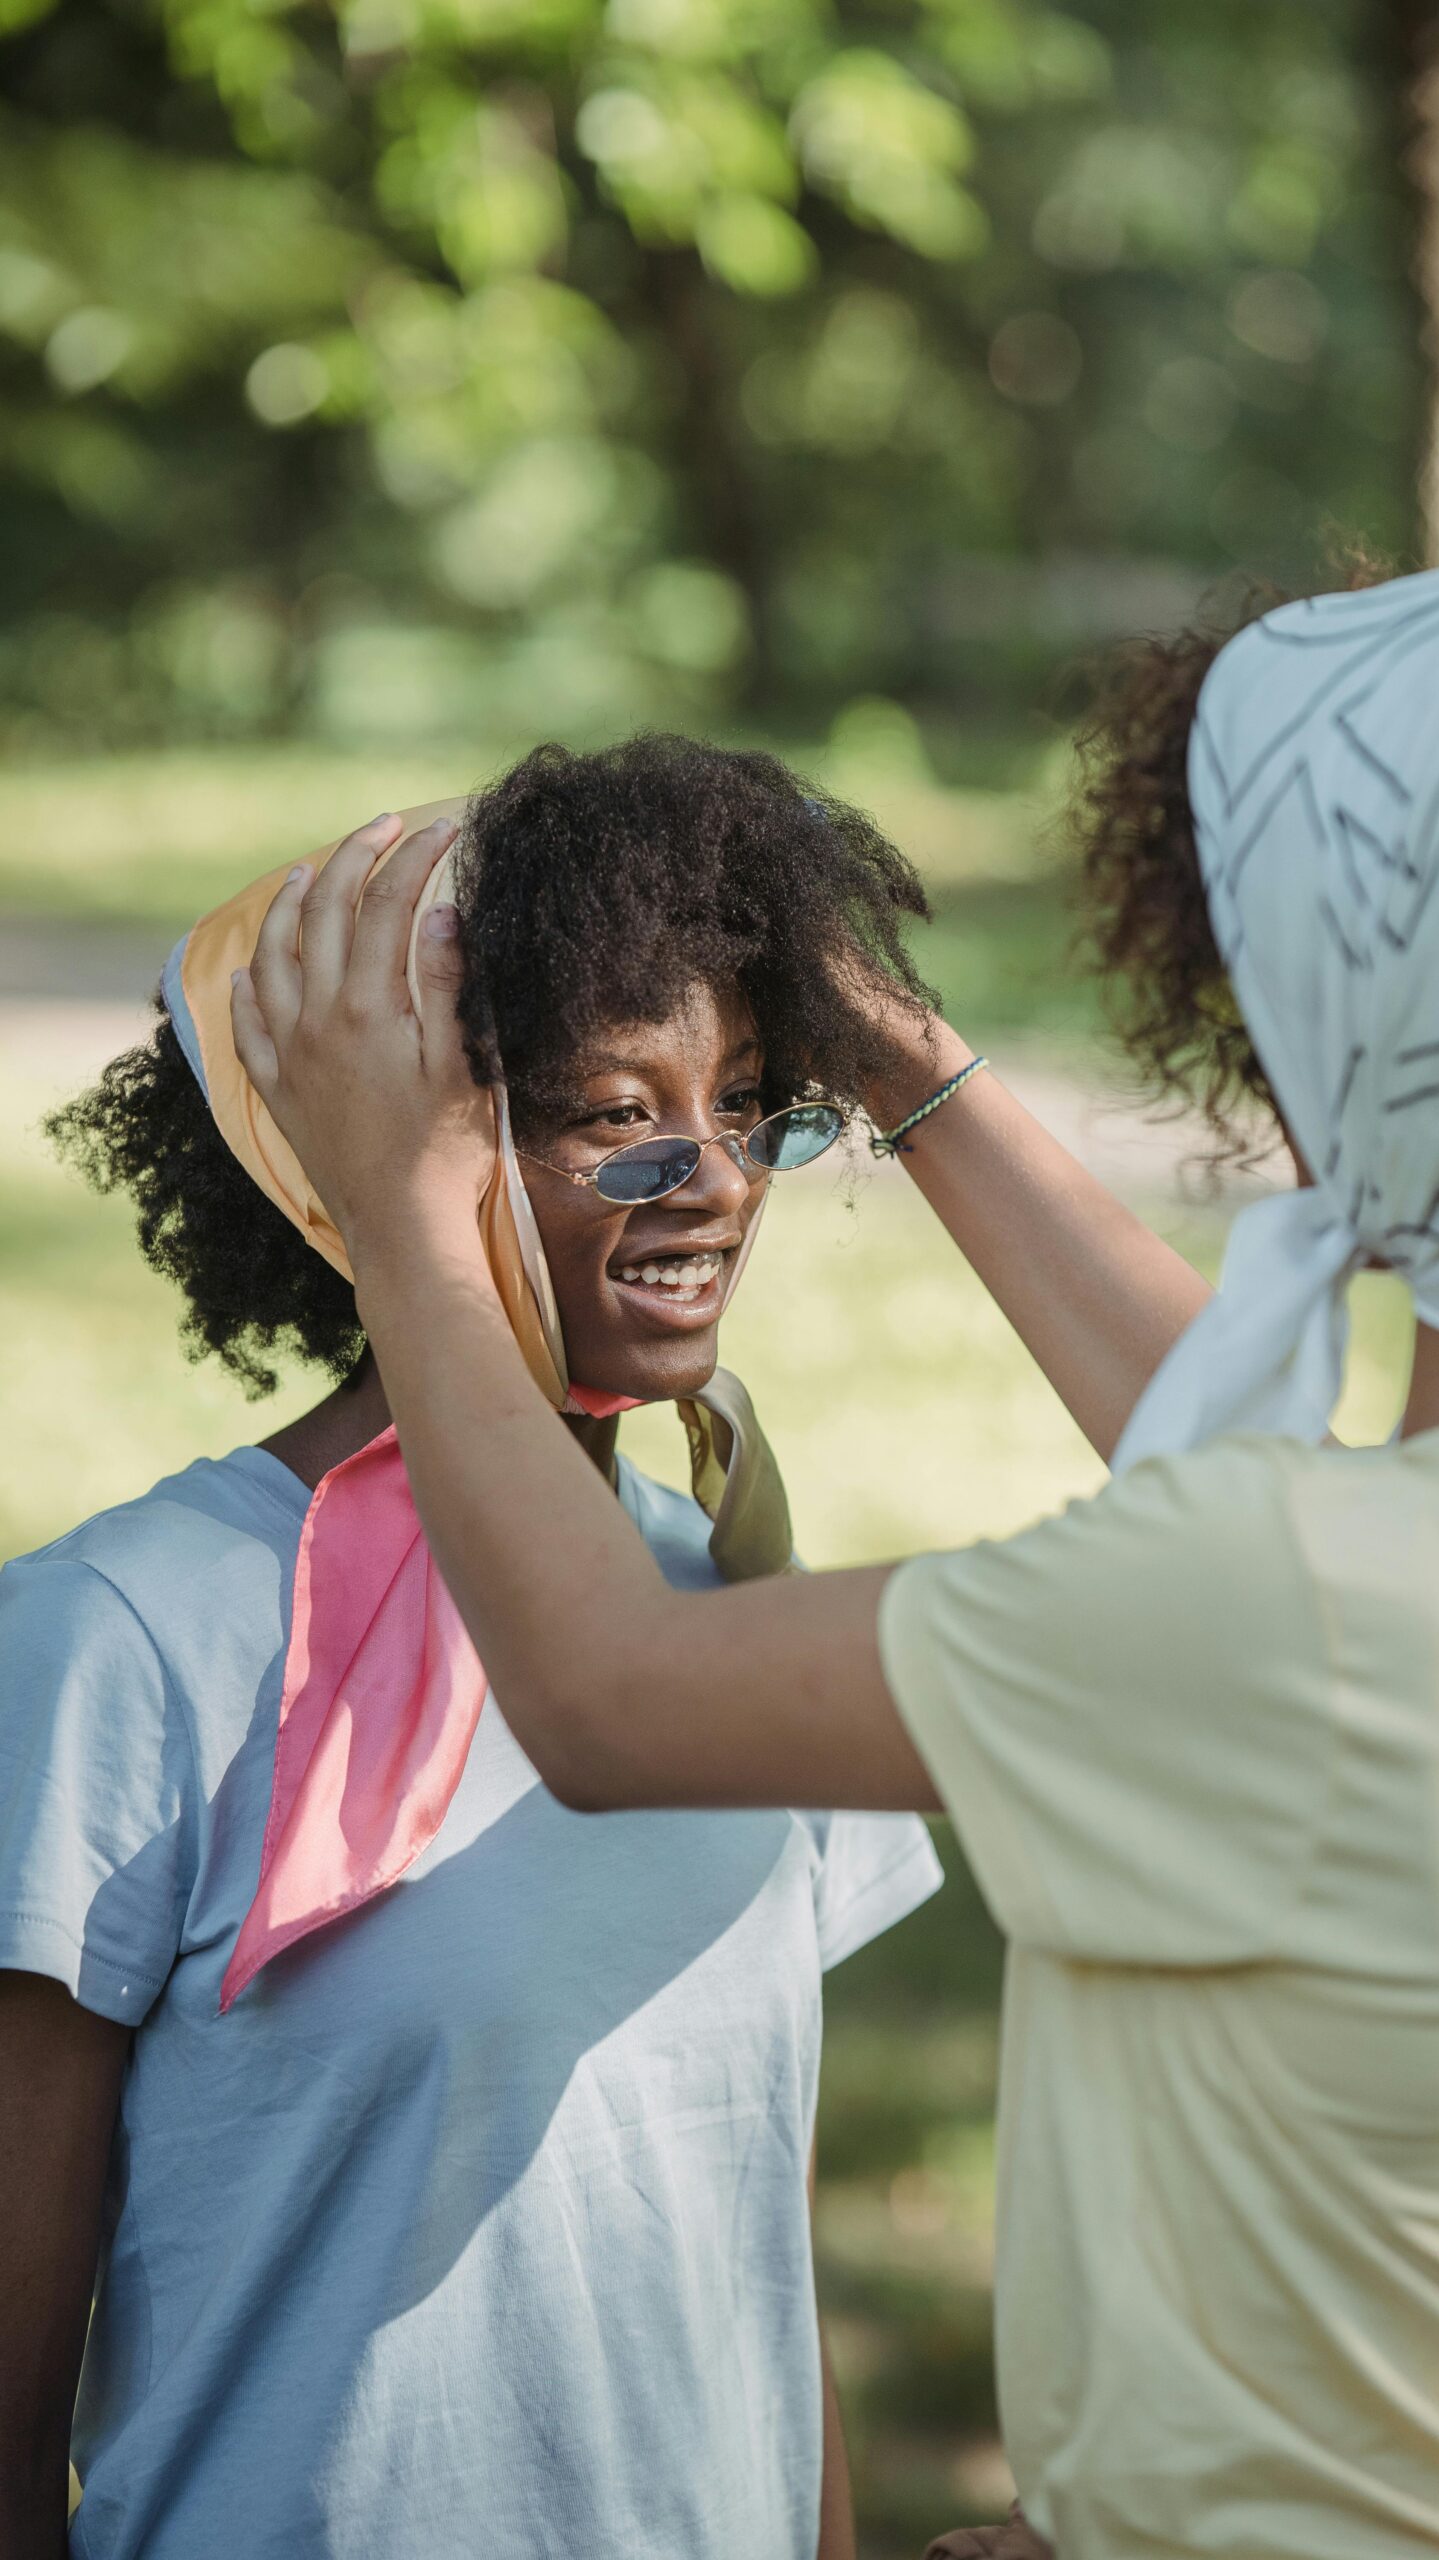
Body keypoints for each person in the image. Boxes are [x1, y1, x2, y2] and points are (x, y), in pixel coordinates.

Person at [232, 543, 1439, 2558]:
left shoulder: (1303, 1605)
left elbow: (604, 1690)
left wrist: (405, 1196)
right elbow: (1279, 1473)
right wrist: (899, 1057)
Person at [0, 736, 951, 2560]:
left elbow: (746, 2257)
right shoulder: (122, 1644)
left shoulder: (740, 1604)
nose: (724, 1182)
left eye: (753, 1101)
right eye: (617, 1113)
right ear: (371, 1151)